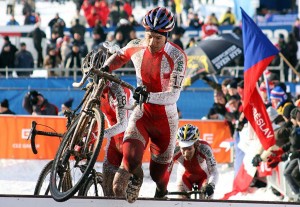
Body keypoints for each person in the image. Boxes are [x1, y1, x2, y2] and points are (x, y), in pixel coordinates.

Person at [102, 7, 187, 203]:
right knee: (129, 160)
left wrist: (147, 96)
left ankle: (161, 191)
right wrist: (104, 68)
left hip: (166, 121)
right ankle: (133, 182)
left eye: (158, 38)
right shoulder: (136, 45)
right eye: (148, 36)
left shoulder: (177, 56)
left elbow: (173, 95)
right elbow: (120, 57)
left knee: (158, 175)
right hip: (141, 115)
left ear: (167, 36)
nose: (151, 42)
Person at [101, 81, 135, 197]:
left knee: (118, 188)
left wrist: (99, 134)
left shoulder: (119, 90)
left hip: (131, 141)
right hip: (113, 142)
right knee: (107, 190)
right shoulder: (95, 91)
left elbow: (123, 125)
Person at [168, 124, 219, 199]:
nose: (185, 153)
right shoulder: (174, 149)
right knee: (181, 200)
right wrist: (161, 187)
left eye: (189, 148)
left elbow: (214, 171)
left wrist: (211, 185)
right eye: (183, 148)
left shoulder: (205, 148)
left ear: (196, 144)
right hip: (184, 176)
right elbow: (166, 171)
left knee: (206, 199)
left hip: (204, 177)